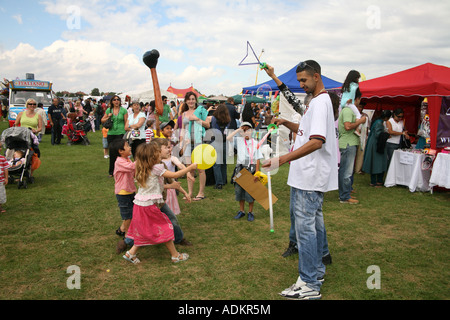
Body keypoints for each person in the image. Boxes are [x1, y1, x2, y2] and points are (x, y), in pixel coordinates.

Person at [262, 60, 338, 300]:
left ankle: (308, 284)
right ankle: (315, 273)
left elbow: (317, 141)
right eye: (300, 81)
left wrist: (283, 159)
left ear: (316, 76)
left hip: (309, 177)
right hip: (305, 176)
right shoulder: (315, 102)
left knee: (305, 231)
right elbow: (306, 132)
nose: (302, 85)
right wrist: (286, 122)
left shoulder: (322, 102)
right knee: (311, 228)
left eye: (304, 80)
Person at [122, 141, 197, 264]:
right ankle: (175, 255)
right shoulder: (157, 168)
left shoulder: (142, 167)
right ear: (152, 157)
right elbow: (175, 174)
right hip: (149, 207)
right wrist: (190, 168)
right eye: (157, 152)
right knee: (165, 228)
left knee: (144, 231)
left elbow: (160, 184)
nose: (159, 154)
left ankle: (130, 253)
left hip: (139, 206)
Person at [227, 122, 262, 222]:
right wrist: (238, 130)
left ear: (252, 131)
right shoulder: (239, 141)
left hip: (251, 169)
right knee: (239, 190)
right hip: (240, 169)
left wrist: (257, 172)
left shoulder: (255, 143)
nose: (246, 133)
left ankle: (250, 212)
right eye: (244, 131)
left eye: (248, 131)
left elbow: (258, 158)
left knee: (250, 192)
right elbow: (227, 138)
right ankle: (241, 211)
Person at [337, 88, 367, 204]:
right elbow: (348, 126)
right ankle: (344, 196)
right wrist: (361, 121)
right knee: (346, 172)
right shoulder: (348, 111)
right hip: (348, 143)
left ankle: (345, 192)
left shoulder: (348, 110)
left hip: (349, 142)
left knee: (345, 170)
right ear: (357, 99)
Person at [180, 91, 210, 201]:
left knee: (201, 169)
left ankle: (201, 193)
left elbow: (207, 124)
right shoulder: (184, 114)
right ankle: (190, 193)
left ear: (195, 100)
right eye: (189, 99)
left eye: (193, 99)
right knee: (189, 169)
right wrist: (181, 144)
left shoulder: (201, 111)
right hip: (188, 144)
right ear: (186, 101)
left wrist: (197, 119)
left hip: (199, 142)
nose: (191, 101)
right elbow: (183, 130)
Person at [112, 139, 136, 238]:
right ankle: (128, 236)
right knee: (127, 216)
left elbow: (134, 172)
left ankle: (121, 230)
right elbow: (131, 167)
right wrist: (143, 158)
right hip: (123, 193)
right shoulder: (119, 162)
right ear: (120, 151)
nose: (130, 147)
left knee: (133, 213)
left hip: (130, 191)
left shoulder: (127, 159)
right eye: (127, 146)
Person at [362, 110, 391, 186]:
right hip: (376, 144)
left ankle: (374, 181)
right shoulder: (379, 123)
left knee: (374, 162)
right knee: (376, 163)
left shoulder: (377, 121)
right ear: (386, 117)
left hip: (374, 143)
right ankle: (377, 181)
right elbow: (378, 134)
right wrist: (387, 135)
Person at [101, 95, 128, 177]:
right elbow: (102, 120)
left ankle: (121, 170)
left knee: (120, 153)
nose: (116, 101)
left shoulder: (123, 110)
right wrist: (108, 116)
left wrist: (126, 131)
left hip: (120, 133)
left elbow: (126, 121)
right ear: (112, 101)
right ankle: (111, 172)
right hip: (111, 133)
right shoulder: (109, 110)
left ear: (120, 101)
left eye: (118, 100)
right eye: (114, 100)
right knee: (112, 153)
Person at [210, 103, 231, 189]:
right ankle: (224, 180)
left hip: (216, 141)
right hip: (225, 141)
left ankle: (219, 183)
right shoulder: (228, 120)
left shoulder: (214, 118)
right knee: (224, 163)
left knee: (217, 164)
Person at [0, 142, 10, 213]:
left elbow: (6, 169)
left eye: (0, 147)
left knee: (1, 194)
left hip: (1, 181)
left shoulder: (2, 158)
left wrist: (6, 178)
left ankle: (0, 206)